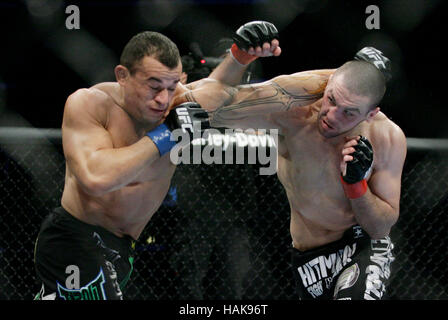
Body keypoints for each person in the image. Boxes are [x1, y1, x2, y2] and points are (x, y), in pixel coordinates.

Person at [33, 21, 281, 300]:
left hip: (121, 248)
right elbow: (95, 178)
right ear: (123, 75)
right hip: (76, 238)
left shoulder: (177, 103)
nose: (163, 99)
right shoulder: (91, 104)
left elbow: (219, 86)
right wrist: (166, 135)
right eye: (153, 86)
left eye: (172, 85)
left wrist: (240, 56)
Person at [173, 47, 407, 300]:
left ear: (371, 113)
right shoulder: (292, 111)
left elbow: (380, 227)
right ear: (329, 82)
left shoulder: (387, 137)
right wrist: (235, 58)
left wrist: (356, 184)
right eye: (332, 100)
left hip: (361, 246)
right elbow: (221, 98)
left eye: (349, 112)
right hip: (308, 259)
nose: (332, 115)